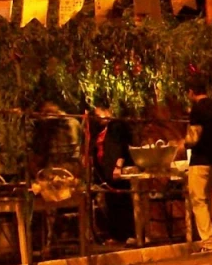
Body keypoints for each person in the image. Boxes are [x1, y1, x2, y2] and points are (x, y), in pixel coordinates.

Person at [183, 76, 212, 252]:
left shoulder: (197, 110)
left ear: (191, 92)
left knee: (199, 200)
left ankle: (209, 242)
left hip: (201, 159)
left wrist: (183, 143)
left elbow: (194, 136)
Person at [92, 102, 135, 244]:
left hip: (116, 168)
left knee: (122, 200)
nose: (97, 116)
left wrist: (118, 166)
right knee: (111, 202)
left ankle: (129, 234)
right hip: (105, 170)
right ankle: (116, 235)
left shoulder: (116, 126)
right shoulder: (101, 129)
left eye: (99, 112)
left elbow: (122, 147)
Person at [29, 100, 83, 178]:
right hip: (50, 171)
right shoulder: (43, 128)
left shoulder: (71, 124)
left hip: (68, 171)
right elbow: (38, 154)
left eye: (47, 112)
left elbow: (76, 152)